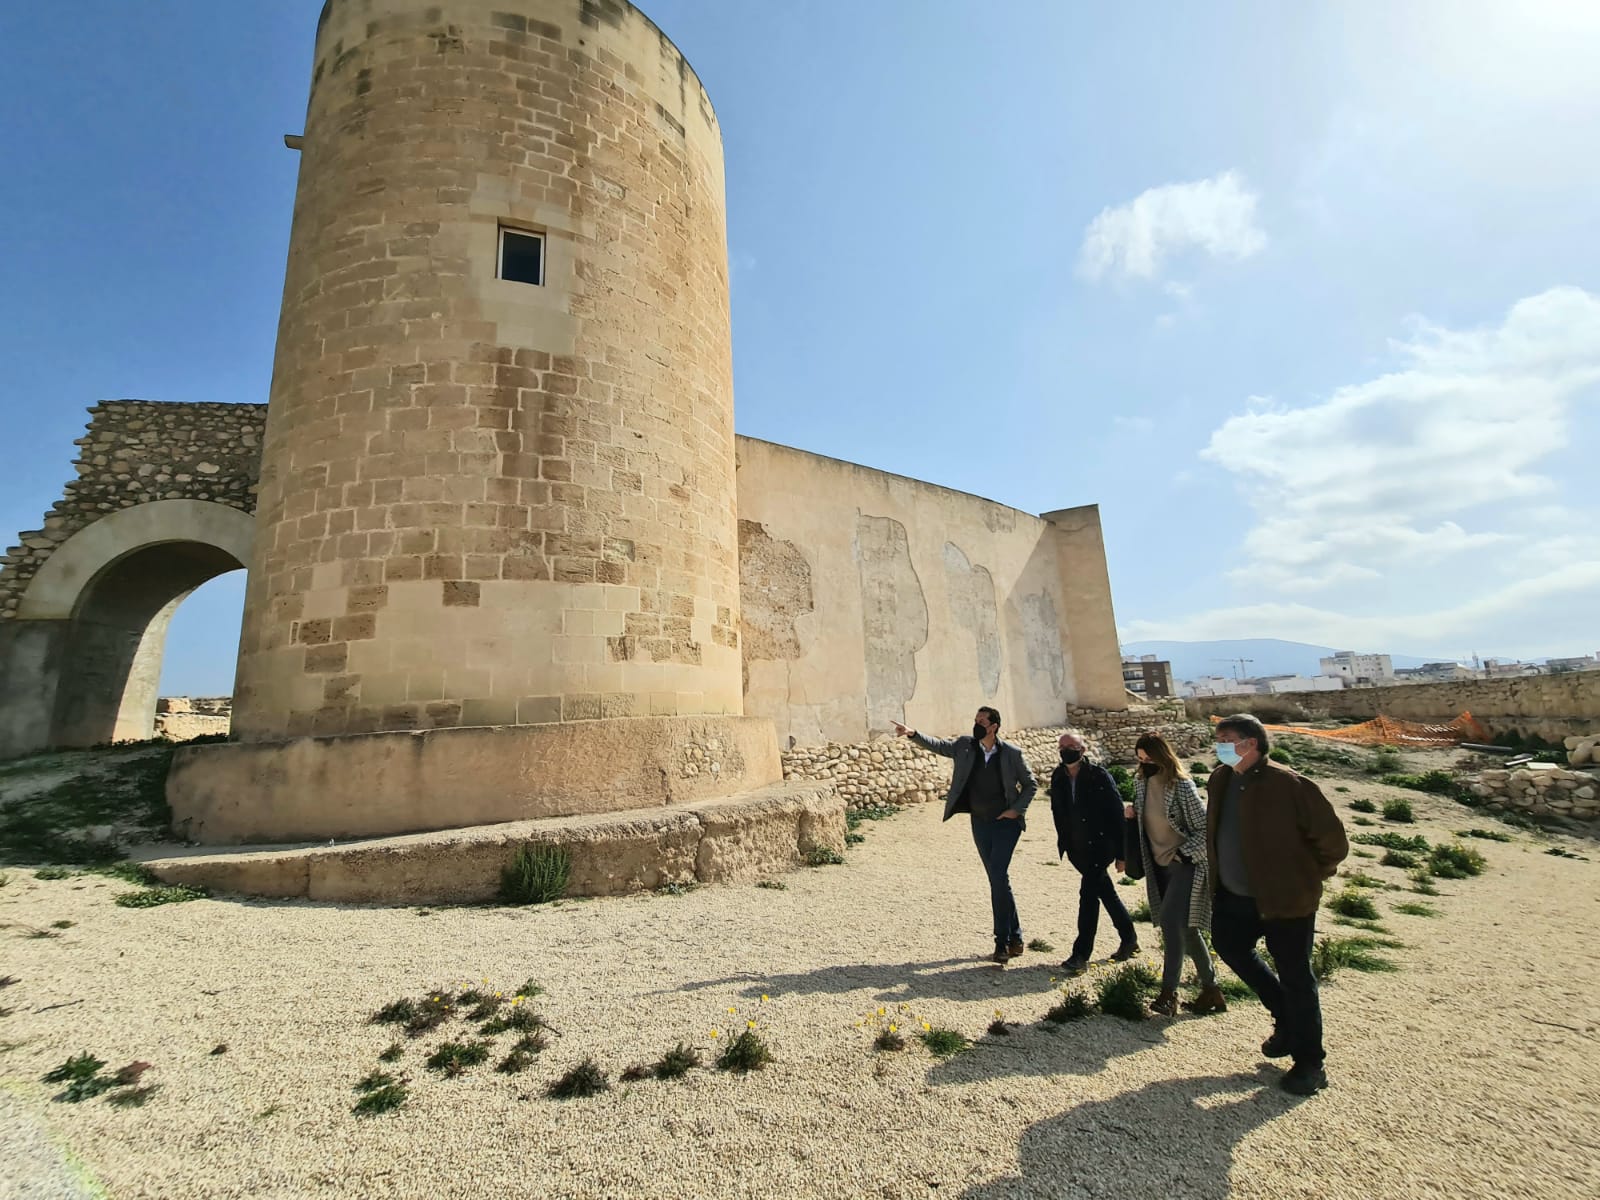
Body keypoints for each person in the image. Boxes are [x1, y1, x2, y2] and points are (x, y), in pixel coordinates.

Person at [1207, 713, 1349, 1096]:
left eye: (1225, 739)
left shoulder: (1289, 784)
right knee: (1229, 946)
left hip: (1286, 900)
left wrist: (1306, 876)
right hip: (1234, 896)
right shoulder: (1220, 779)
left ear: (1250, 743)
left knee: (1296, 976)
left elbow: (1333, 842)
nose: (1219, 746)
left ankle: (1310, 1063)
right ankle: (1285, 1016)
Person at [892, 708, 1038, 964]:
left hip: (1006, 824)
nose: (976, 724)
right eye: (975, 721)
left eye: (982, 721)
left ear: (994, 726)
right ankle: (1015, 937)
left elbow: (1030, 784)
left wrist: (1016, 810)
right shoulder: (965, 746)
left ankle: (1001, 942)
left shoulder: (1011, 754)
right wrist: (912, 734)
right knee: (998, 879)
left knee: (998, 876)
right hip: (980, 822)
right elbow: (940, 746)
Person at [1124, 732, 1225, 1017]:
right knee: (1188, 930)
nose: (1144, 763)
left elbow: (1205, 829)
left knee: (1171, 924)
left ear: (1162, 756)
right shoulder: (1141, 784)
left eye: (1149, 758)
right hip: (1158, 866)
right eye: (1140, 759)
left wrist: (1185, 854)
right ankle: (1212, 990)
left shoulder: (1182, 786)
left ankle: (1168, 994)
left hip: (1185, 864)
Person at [1050, 731, 1139, 976]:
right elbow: (1058, 811)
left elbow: (1116, 813)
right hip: (1076, 849)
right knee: (1105, 891)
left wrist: (1122, 854)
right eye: (1062, 746)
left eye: (1071, 746)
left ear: (1083, 749)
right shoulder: (1058, 776)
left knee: (1088, 895)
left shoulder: (1099, 776)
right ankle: (1129, 938)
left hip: (1100, 846)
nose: (1066, 750)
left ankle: (1080, 954)